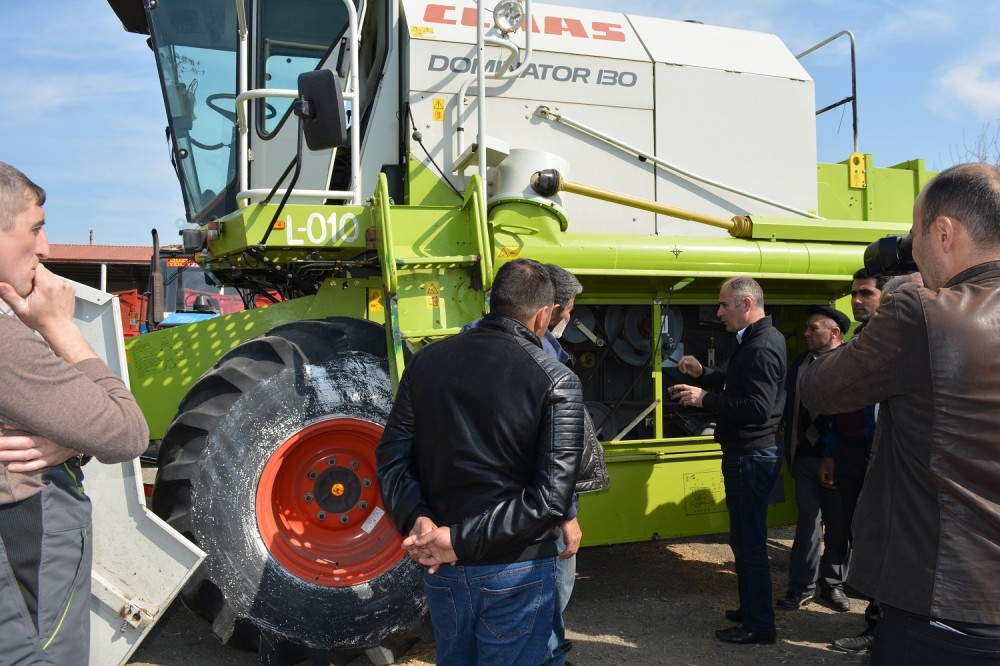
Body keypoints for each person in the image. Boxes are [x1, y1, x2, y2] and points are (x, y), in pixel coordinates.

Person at [801, 163, 1000, 665]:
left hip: (949, 604)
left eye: (915, 233)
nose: (910, 249)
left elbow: (820, 389)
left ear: (944, 231)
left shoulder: (920, 312)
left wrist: (903, 297)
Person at [376, 257, 584, 665]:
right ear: (543, 315)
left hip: (441, 566)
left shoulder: (425, 363)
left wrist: (419, 520)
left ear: (493, 302)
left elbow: (392, 458)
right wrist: (455, 542)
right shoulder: (556, 379)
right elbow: (550, 501)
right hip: (514, 568)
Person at [0, 162, 149, 665]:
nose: (45, 249)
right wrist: (61, 328)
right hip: (29, 548)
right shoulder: (8, 346)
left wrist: (71, 436)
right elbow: (127, 432)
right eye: (35, 228)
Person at [460, 263, 589, 664]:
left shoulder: (455, 349)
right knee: (550, 584)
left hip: (468, 509)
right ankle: (549, 654)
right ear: (550, 311)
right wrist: (567, 514)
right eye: (568, 309)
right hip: (527, 508)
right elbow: (550, 452)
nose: (568, 317)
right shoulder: (546, 362)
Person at [671, 276, 786, 645]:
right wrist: (705, 375)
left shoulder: (762, 346)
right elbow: (741, 383)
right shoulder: (756, 340)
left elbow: (756, 407)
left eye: (724, 305)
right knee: (743, 538)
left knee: (749, 542)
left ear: (747, 305)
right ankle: (751, 607)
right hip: (747, 453)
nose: (719, 313)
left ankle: (760, 624)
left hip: (751, 455)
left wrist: (704, 399)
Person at [827, 271, 923, 654]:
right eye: (853, 294)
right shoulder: (858, 345)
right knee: (863, 536)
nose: (856, 301)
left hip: (893, 461)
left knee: (892, 544)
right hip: (855, 456)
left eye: (866, 293)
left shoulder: (906, 342)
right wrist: (833, 452)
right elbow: (839, 409)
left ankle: (881, 630)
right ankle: (874, 623)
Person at [778, 306, 852, 613]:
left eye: (813, 328)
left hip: (841, 460)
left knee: (839, 526)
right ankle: (802, 588)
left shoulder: (852, 362)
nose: (806, 333)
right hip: (806, 459)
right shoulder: (800, 364)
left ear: (834, 333)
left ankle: (833, 584)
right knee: (807, 523)